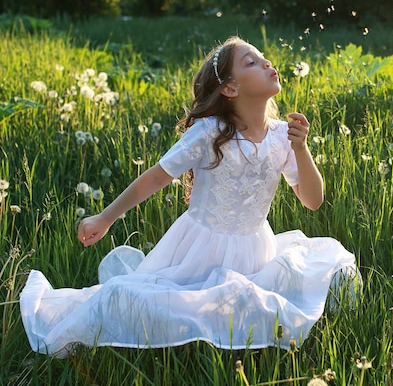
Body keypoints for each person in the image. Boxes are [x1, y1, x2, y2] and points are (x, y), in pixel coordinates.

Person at [20, 36, 360, 357]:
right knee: (164, 303)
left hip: (256, 246)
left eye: (262, 57)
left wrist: (301, 149)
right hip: (201, 248)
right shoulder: (209, 133)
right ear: (231, 87)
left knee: (249, 301)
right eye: (252, 62)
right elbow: (155, 177)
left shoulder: (283, 136)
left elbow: (313, 201)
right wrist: (105, 217)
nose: (267, 62)